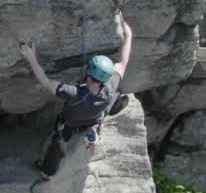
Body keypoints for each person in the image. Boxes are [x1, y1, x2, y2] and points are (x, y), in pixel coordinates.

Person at [18, 20, 132, 181]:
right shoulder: (111, 84)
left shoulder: (74, 93)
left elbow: (45, 81)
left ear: (88, 72)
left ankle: (47, 172)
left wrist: (31, 58)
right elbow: (124, 61)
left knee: (58, 143)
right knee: (113, 97)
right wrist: (129, 34)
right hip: (94, 115)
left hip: (70, 123)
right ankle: (97, 125)